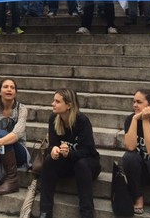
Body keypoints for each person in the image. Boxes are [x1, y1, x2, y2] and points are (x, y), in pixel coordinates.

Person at [38, 88, 100, 218]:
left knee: (81, 164)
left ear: (69, 105)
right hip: (68, 163)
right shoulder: (54, 118)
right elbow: (53, 144)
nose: (52, 104)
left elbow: (88, 150)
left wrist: (69, 153)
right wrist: (53, 150)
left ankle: (87, 214)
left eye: (57, 101)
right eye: (53, 100)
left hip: (89, 164)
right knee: (49, 161)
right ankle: (45, 212)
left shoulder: (82, 121)